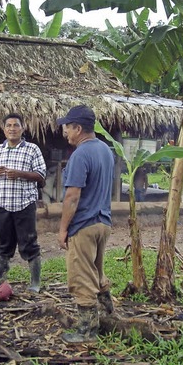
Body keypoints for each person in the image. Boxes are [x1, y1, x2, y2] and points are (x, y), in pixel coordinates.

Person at [56, 105, 114, 344]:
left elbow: (72, 196)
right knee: (97, 270)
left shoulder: (80, 154)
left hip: (84, 224)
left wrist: (62, 230)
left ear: (78, 128)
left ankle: (87, 330)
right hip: (103, 222)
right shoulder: (105, 150)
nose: (66, 133)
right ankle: (109, 311)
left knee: (81, 276)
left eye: (68, 127)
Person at [0, 113, 46, 293]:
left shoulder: (32, 149)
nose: (12, 128)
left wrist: (20, 174)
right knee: (3, 243)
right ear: (4, 129)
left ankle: (35, 282)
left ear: (22, 128)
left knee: (29, 243)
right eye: (8, 125)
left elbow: (41, 176)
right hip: (1, 204)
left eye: (16, 125)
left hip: (24, 204)